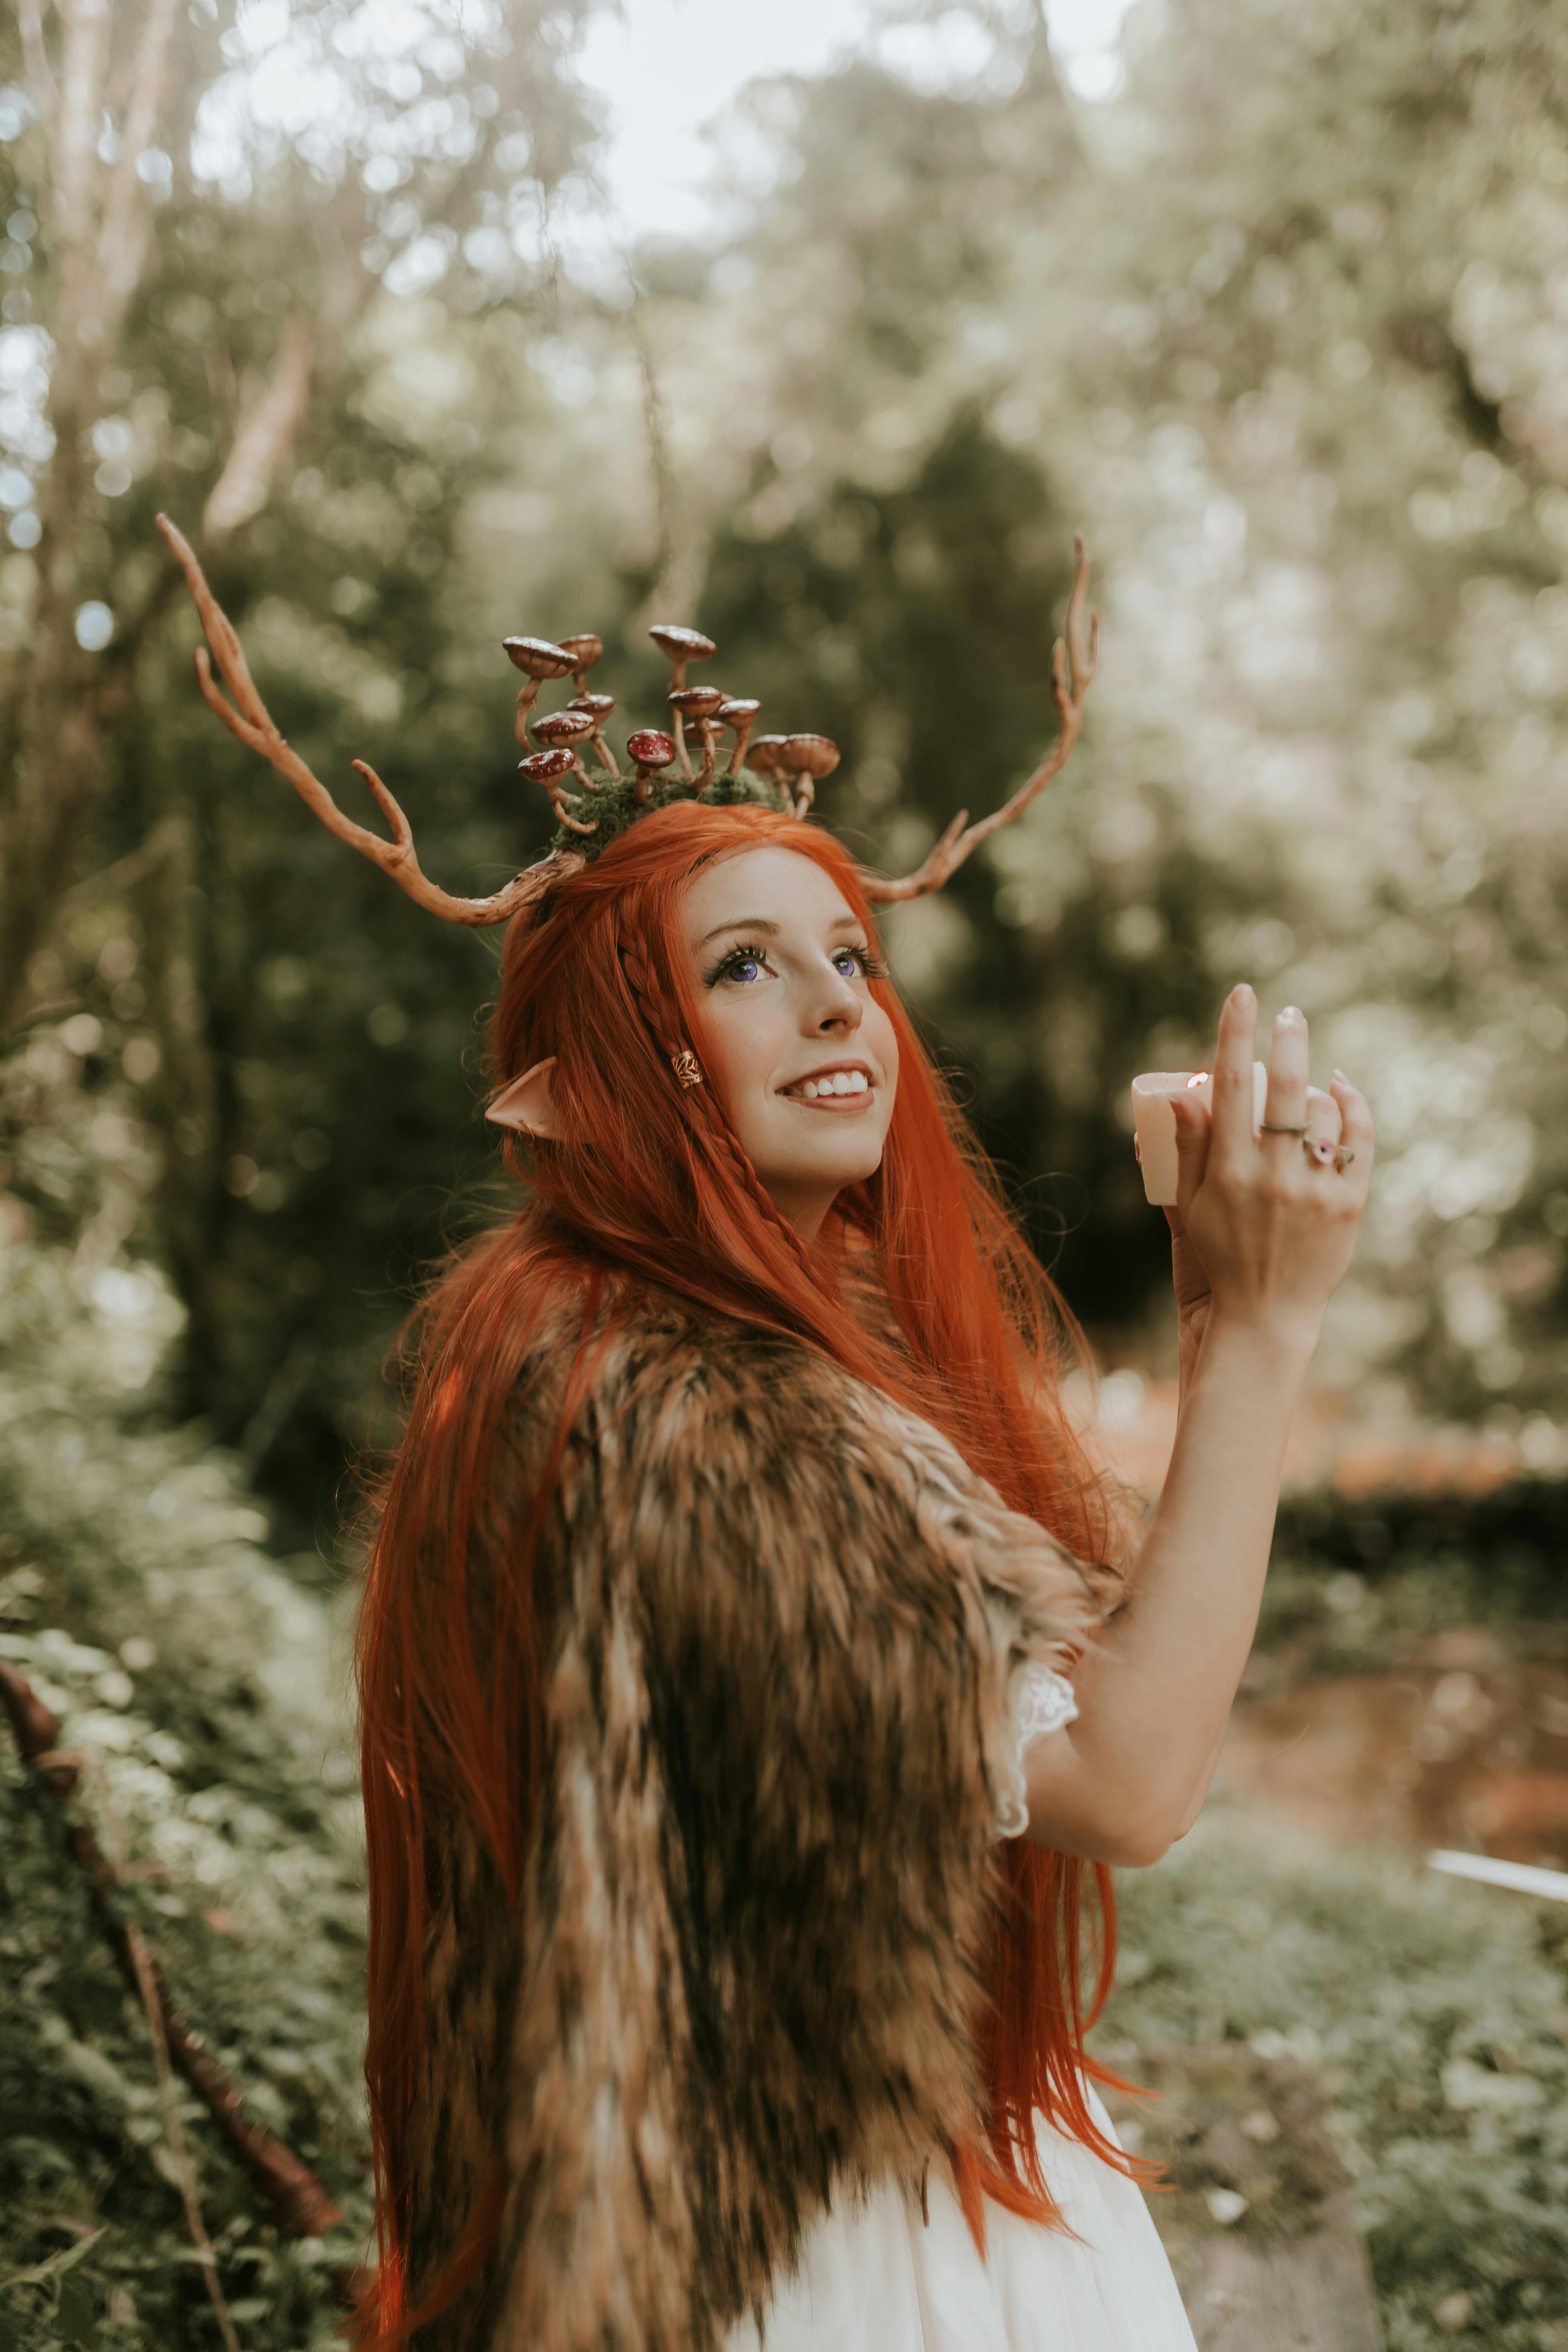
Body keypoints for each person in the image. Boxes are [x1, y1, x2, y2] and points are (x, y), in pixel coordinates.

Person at [158, 518, 1373, 2351]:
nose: (834, 1007)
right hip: (811, 2256)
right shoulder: (679, 1413)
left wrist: (1212, 1311)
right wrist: (1261, 1337)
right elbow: (1123, 1782)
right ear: (619, 1065)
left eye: (846, 957)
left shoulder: (672, 1353)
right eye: (740, 969)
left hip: (832, 2194)